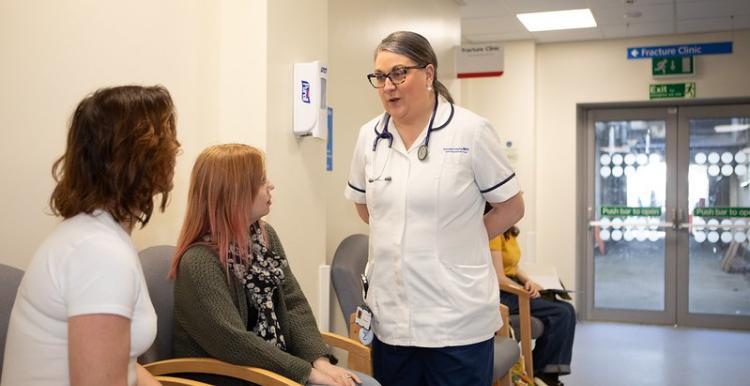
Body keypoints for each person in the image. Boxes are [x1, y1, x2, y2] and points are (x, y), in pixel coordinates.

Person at [344, 31, 524, 386]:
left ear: (428, 75)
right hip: (391, 320)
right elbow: (366, 209)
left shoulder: (470, 131)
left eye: (399, 73)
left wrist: (458, 237)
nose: (388, 86)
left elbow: (511, 207)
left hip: (456, 321)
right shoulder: (370, 136)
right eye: (379, 77)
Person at [1, 85, 179, 386]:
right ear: (137, 156)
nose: (176, 147)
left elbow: (126, 365)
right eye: (166, 138)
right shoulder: (99, 253)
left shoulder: (96, 236)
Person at [169, 144, 380, 386]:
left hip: (273, 369)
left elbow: (293, 304)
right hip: (232, 376)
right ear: (233, 193)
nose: (271, 185)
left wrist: (320, 361)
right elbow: (234, 342)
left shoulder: (264, 237)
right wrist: (308, 373)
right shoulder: (198, 263)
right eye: (261, 181)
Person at [487, 208, 576, 386]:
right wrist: (523, 290)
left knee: (566, 309)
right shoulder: (494, 232)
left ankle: (544, 373)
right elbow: (499, 277)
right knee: (562, 313)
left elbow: (513, 267)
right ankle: (543, 374)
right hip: (503, 292)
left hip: (512, 285)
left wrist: (529, 281)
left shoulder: (509, 232)